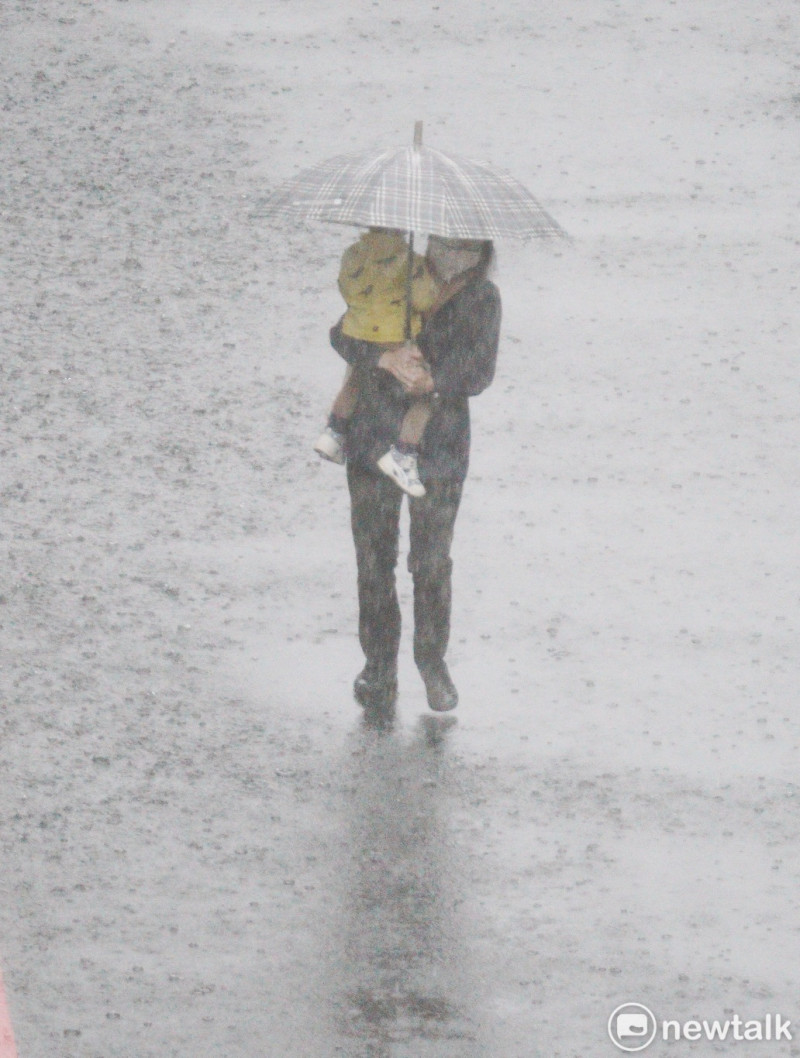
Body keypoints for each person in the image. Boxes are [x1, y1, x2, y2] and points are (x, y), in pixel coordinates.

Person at [329, 234, 501, 713]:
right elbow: (342, 333)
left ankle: (431, 662)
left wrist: (435, 380)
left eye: (463, 235)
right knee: (372, 559)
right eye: (445, 232)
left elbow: (481, 371)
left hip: (440, 446)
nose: (451, 241)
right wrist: (382, 356)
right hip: (372, 433)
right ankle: (378, 666)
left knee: (430, 563)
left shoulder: (481, 296)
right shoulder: (397, 269)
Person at [314, 227, 440, 497]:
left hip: (358, 330)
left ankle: (334, 431)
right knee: (426, 393)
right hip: (395, 335)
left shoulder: (353, 254)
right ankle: (403, 453)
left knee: (358, 376)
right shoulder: (410, 261)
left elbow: (345, 286)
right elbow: (423, 299)